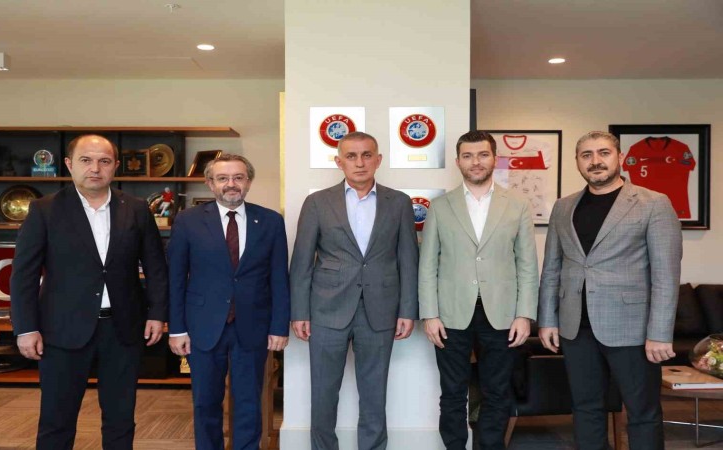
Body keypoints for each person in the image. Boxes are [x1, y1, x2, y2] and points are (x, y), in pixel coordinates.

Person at [10, 134, 168, 450]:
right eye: (86, 160)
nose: (95, 168)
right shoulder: (44, 210)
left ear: (115, 166)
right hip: (61, 331)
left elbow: (156, 267)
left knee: (121, 419)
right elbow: (24, 275)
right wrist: (25, 328)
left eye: (104, 161)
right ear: (70, 165)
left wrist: (158, 314)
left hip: (123, 329)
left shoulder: (136, 209)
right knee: (56, 420)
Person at [538, 131, 682, 449]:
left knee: (642, 412)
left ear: (620, 157)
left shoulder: (654, 203)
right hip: (576, 327)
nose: (595, 161)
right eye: (586, 155)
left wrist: (660, 333)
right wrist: (547, 319)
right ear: (578, 162)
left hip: (632, 329)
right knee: (585, 408)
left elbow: (666, 275)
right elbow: (552, 269)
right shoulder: (563, 207)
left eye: (603, 153)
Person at [290, 131, 419, 450]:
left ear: (378, 159)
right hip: (326, 310)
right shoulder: (317, 202)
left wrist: (408, 310)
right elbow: (302, 261)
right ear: (339, 162)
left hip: (381, 310)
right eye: (351, 156)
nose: (359, 162)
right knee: (323, 394)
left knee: (375, 396)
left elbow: (408, 259)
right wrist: (299, 312)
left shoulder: (399, 202)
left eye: (366, 155)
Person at [419, 130, 538, 449]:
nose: (476, 162)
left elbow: (527, 264)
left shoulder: (517, 205)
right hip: (450, 314)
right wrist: (429, 314)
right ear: (458, 161)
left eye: (483, 154)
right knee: (452, 393)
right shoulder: (440, 206)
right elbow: (427, 264)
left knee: (497, 392)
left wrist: (524, 314)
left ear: (494, 158)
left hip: (502, 314)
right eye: (468, 156)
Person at [167, 153, 290, 450]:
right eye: (222, 178)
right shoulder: (187, 221)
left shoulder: (270, 221)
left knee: (249, 401)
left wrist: (279, 326)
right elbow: (175, 278)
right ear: (210, 183)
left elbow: (279, 278)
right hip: (202, 326)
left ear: (248, 182)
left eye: (238, 177)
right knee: (205, 402)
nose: (231, 184)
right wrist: (177, 329)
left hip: (253, 326)